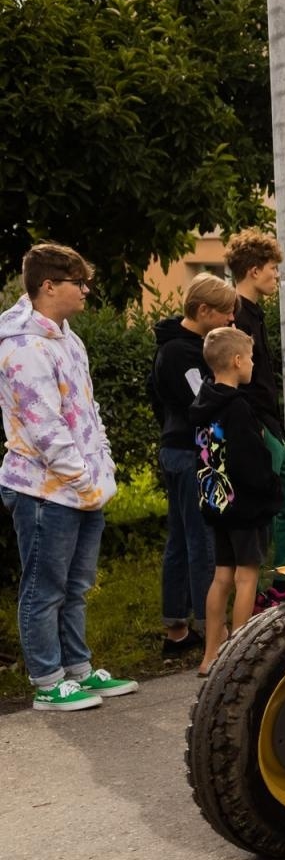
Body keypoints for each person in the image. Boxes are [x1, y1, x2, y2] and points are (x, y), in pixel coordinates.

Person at [0, 243, 137, 710]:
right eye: (78, 282)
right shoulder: (22, 346)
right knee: (44, 590)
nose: (86, 290)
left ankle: (77, 670)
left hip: (83, 488)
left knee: (76, 587)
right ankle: (47, 681)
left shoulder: (67, 336)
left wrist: (104, 469)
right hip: (43, 490)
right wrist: (81, 477)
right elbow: (43, 424)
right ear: (48, 286)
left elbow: (86, 409)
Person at [149, 273, 237, 657]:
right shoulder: (180, 352)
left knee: (183, 538)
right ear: (203, 310)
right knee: (202, 539)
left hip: (186, 446)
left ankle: (178, 626)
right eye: (226, 313)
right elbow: (202, 400)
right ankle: (211, 627)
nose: (231, 321)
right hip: (193, 449)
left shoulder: (182, 346)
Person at [191, 327, 285, 677]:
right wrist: (271, 488)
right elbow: (251, 462)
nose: (253, 364)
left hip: (215, 502)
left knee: (221, 577)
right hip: (244, 505)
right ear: (236, 361)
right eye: (250, 358)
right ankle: (238, 656)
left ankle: (210, 654)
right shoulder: (239, 407)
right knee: (247, 578)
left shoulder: (202, 402)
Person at [224, 230, 285, 575]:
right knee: (270, 506)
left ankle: (281, 579)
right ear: (253, 271)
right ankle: (270, 590)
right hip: (257, 426)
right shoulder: (237, 315)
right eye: (272, 268)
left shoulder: (253, 312)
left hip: (269, 425)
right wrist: (255, 429)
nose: (276, 275)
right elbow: (234, 381)